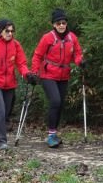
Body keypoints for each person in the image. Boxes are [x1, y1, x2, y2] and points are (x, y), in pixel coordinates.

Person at [0, 19, 37, 150]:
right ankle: (2, 142)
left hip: (10, 84)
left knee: (5, 113)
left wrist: (28, 75)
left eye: (12, 31)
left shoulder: (16, 45)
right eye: (7, 31)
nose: (10, 33)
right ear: (0, 31)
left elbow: (21, 64)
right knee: (1, 110)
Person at [31, 8, 86, 148]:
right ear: (53, 25)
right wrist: (34, 72)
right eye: (58, 23)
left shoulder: (72, 38)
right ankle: (51, 135)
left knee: (60, 104)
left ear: (66, 23)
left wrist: (80, 61)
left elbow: (77, 54)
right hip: (48, 74)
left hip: (64, 75)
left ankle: (54, 133)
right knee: (55, 101)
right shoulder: (47, 38)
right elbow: (37, 55)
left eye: (63, 22)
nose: (61, 25)